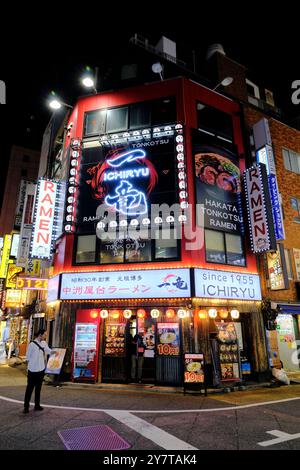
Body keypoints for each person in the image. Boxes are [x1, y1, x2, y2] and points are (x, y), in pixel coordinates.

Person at [23, 328, 53, 414]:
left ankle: (37, 405)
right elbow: (27, 357)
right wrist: (28, 368)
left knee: (38, 389)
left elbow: (48, 351)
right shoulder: (31, 344)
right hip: (32, 370)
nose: (45, 336)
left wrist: (55, 352)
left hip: (41, 369)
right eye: (45, 335)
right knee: (29, 389)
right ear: (40, 334)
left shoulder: (44, 343)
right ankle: (26, 406)